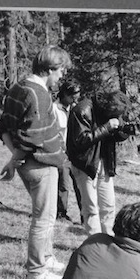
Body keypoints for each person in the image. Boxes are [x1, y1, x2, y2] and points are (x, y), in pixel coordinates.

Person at [0, 45, 72, 279]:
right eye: (61, 71)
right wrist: (16, 158)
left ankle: (46, 258)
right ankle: (37, 272)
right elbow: (32, 138)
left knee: (46, 215)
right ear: (50, 69)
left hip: (28, 163)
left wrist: (13, 159)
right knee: (44, 218)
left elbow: (5, 127)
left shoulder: (18, 87)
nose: (62, 76)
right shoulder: (37, 94)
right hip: (40, 165)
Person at [67, 90, 131, 236]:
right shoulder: (82, 110)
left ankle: (108, 241)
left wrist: (123, 131)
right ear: (107, 108)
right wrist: (106, 127)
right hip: (85, 164)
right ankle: (94, 244)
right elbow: (80, 141)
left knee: (109, 205)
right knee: (91, 208)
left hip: (105, 162)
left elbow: (112, 136)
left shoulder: (111, 111)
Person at [54, 80, 82, 222]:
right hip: (61, 152)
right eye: (72, 97)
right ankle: (61, 213)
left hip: (75, 152)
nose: (74, 100)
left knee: (80, 184)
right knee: (63, 184)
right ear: (64, 94)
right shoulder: (54, 109)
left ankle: (85, 215)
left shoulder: (76, 109)